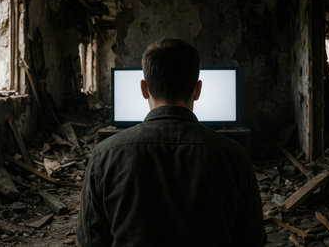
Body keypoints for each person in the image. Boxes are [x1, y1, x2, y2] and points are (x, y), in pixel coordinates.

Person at [77, 39, 267, 246]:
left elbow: (90, 240)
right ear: (197, 90)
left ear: (144, 89)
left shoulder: (104, 155)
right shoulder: (235, 156)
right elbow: (252, 239)